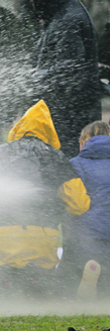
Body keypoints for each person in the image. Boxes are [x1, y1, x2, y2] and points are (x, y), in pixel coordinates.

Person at [0, 100, 77, 294]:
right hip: (43, 236)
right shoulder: (55, 157)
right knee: (38, 286)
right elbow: (78, 202)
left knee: (1, 286)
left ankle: (1, 297)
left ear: (17, 129)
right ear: (49, 131)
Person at [21, 0, 102, 158]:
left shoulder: (68, 21)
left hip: (71, 125)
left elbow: (69, 70)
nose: (31, 0)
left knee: (69, 182)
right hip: (65, 120)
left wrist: (32, 80)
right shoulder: (60, 15)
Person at [58, 121, 110, 299]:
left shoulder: (74, 164)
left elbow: (72, 201)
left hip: (85, 236)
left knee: (70, 275)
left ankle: (82, 283)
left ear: (83, 143)